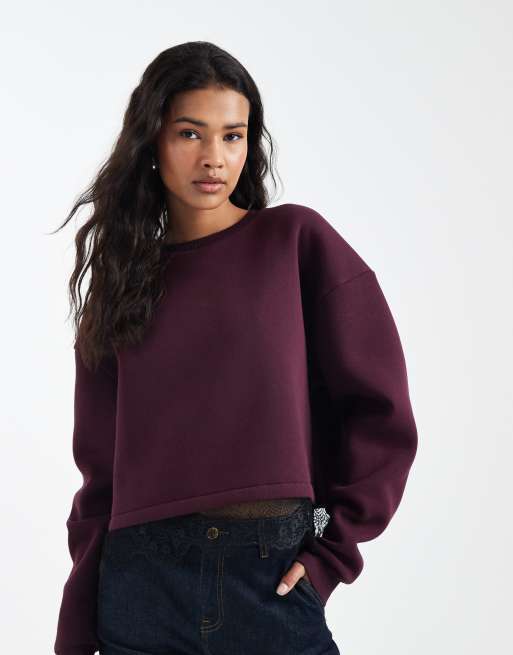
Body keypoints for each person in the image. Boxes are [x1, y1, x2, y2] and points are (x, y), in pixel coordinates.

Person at [52, 41, 418, 655]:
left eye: (232, 136)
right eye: (190, 133)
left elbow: (380, 411)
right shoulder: (121, 281)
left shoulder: (294, 242)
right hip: (141, 585)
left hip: (268, 577)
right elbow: (99, 473)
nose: (213, 158)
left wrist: (332, 553)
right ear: (151, 140)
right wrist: (76, 625)